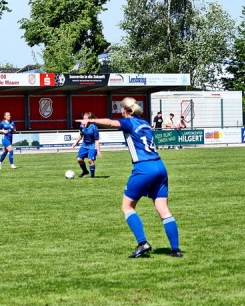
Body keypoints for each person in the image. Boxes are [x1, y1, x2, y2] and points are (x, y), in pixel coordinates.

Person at [75, 97, 182, 258]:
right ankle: (175, 250)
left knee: (127, 207)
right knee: (164, 210)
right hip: (160, 166)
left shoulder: (129, 122)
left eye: (121, 110)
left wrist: (92, 120)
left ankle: (142, 243)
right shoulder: (145, 123)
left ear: (125, 111)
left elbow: (111, 123)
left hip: (144, 167)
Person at [71, 112, 101, 178]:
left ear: (90, 119)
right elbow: (81, 135)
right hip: (84, 145)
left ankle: (92, 176)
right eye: (83, 118)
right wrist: (75, 142)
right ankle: (85, 171)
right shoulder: (82, 126)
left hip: (92, 146)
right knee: (79, 159)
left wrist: (98, 151)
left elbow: (97, 140)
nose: (83, 120)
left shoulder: (94, 128)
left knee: (90, 160)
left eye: (85, 118)